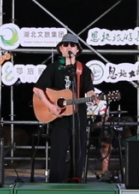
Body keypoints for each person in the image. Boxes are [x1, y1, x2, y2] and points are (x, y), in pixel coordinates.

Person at [33, 32, 96, 183]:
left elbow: (89, 90)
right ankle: (55, 183)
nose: (69, 47)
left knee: (78, 153)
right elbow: (37, 89)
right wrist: (50, 106)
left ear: (77, 49)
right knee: (58, 154)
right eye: (65, 44)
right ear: (60, 48)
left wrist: (94, 96)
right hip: (59, 119)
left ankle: (76, 181)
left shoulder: (83, 69)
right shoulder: (53, 68)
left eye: (72, 45)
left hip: (79, 118)